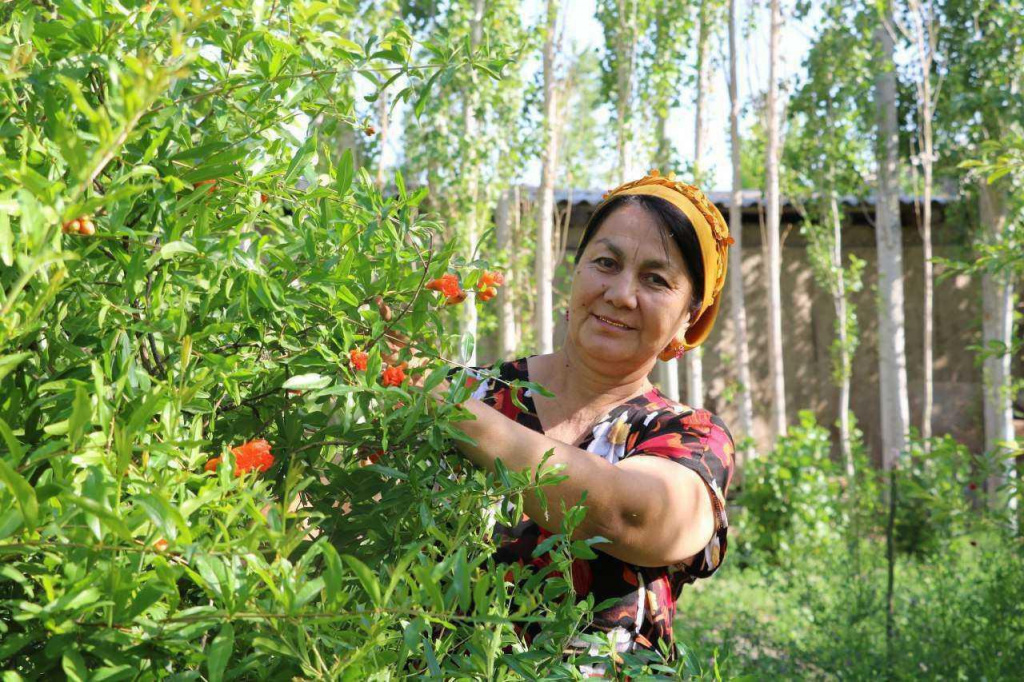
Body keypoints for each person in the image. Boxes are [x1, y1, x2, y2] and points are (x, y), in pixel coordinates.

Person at [424, 170, 736, 670]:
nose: (620, 294)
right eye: (606, 263)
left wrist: (442, 408)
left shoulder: (689, 437)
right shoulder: (472, 391)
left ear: (689, 316)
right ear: (576, 272)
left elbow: (632, 515)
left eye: (656, 279)